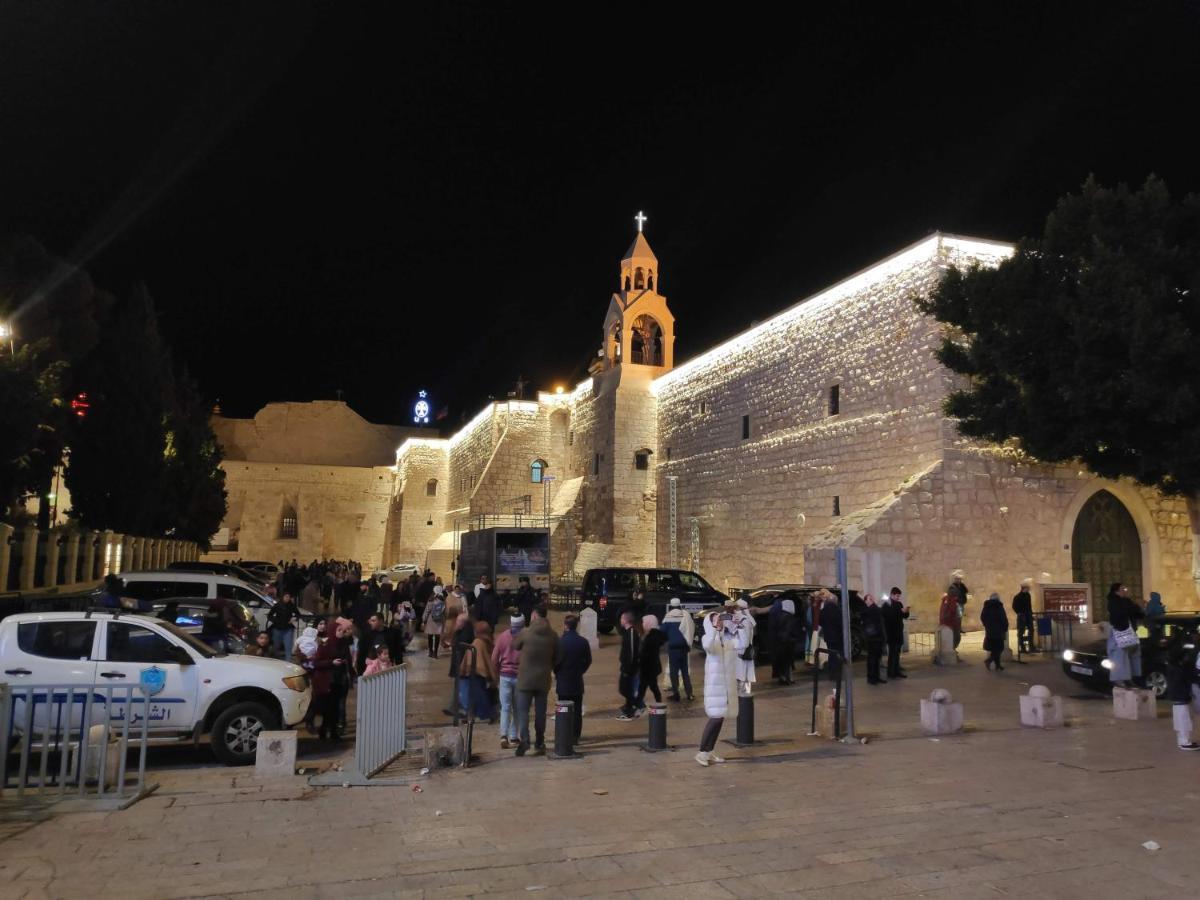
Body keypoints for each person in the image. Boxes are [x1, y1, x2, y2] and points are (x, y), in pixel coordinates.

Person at [513, 606, 558, 756]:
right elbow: (559, 656)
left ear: (533, 616)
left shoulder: (526, 633)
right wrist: (550, 666)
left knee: (523, 711)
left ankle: (525, 740)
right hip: (543, 679)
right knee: (540, 712)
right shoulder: (553, 635)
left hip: (525, 679)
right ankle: (540, 742)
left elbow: (515, 646)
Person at [696, 607, 738, 766]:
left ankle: (709, 751)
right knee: (714, 719)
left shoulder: (724, 640)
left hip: (725, 687)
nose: (720, 622)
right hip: (715, 688)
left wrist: (738, 625)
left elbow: (741, 643)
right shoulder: (708, 638)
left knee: (719, 719)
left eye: (720, 620)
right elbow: (708, 646)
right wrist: (713, 627)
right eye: (716, 620)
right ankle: (701, 752)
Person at [554, 614, 592, 743]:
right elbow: (588, 661)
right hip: (576, 680)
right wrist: (580, 671)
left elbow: (554, 661)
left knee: (563, 709)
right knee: (577, 711)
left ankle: (564, 735)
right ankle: (575, 736)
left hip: (563, 681)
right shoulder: (583, 642)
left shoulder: (560, 642)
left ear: (565, 626)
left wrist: (558, 673)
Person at [491, 614, 523, 748]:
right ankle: (514, 737)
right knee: (517, 708)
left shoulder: (503, 637)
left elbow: (494, 658)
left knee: (505, 708)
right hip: (520, 677)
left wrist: (496, 673)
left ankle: (503, 735)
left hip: (504, 676)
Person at [1106, 582, 1144, 688]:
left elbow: (1136, 611)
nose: (1125, 591)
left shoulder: (1126, 601)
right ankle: (1119, 679)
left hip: (1130, 631)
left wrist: (1139, 609)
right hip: (1120, 632)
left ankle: (1129, 678)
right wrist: (1133, 609)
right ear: (1116, 591)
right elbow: (1121, 612)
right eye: (1123, 589)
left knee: (1133, 654)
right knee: (1119, 655)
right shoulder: (1113, 602)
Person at [458, 621, 497, 721]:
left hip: (472, 672)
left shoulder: (477, 642)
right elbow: (488, 661)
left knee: (474, 696)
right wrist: (492, 676)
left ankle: (478, 715)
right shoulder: (486, 642)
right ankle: (482, 714)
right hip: (479, 673)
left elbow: (478, 659)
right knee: (479, 695)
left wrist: (463, 670)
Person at [661, 597, 695, 701]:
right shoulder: (685, 615)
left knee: (674, 672)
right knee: (685, 671)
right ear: (680, 605)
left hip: (673, 648)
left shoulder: (668, 617)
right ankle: (689, 694)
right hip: (684, 647)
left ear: (671, 606)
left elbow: (662, 631)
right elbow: (691, 628)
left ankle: (676, 694)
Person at [616, 610, 643, 720]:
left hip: (630, 668)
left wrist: (629, 667)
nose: (620, 620)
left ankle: (632, 708)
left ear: (626, 620)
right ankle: (631, 706)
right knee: (625, 689)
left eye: (622, 618)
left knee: (626, 689)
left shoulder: (631, 633)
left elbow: (631, 652)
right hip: (627, 667)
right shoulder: (627, 632)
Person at [637, 615, 666, 706]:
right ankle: (657, 701)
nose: (642, 624)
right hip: (652, 667)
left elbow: (646, 654)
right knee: (651, 686)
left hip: (648, 668)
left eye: (644, 622)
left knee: (644, 687)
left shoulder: (651, 638)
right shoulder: (654, 635)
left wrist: (638, 660)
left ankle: (638, 705)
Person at [880, 587, 909, 679]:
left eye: (899, 596)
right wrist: (899, 611)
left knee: (897, 654)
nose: (898, 598)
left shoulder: (899, 604)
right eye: (897, 596)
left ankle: (897, 671)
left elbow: (904, 616)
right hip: (891, 633)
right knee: (892, 654)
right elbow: (888, 616)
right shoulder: (886, 604)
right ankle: (891, 673)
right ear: (892, 595)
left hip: (898, 632)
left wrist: (906, 612)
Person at [817, 590, 844, 680]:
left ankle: (831, 674)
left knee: (831, 654)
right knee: (837, 654)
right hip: (837, 636)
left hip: (828, 636)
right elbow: (840, 623)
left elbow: (820, 621)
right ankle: (837, 673)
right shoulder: (837, 610)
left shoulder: (824, 610)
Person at [860, 594, 886, 684]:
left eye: (872, 598)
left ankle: (876, 677)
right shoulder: (867, 610)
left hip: (878, 638)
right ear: (866, 601)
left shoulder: (873, 609)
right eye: (869, 599)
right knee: (872, 659)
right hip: (872, 639)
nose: (871, 600)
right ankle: (871, 678)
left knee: (877, 659)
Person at [980, 591, 1009, 671]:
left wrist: (986, 625)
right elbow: (1003, 617)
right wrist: (1005, 627)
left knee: (994, 648)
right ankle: (989, 661)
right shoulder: (999, 606)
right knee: (999, 648)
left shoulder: (986, 606)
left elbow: (982, 617)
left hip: (989, 630)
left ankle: (997, 665)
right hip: (998, 630)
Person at [266, 592, 299, 658]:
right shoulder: (277, 605)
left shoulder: (291, 606)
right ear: (283, 597)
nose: (287, 598)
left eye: (289, 597)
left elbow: (298, 614)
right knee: (276, 646)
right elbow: (270, 615)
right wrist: (275, 620)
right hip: (277, 628)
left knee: (288, 645)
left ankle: (288, 660)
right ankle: (275, 660)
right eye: (286, 596)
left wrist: (294, 618)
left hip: (288, 628)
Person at [935, 586, 961, 665]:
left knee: (953, 638)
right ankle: (952, 652)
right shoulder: (952, 600)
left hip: (944, 623)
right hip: (951, 623)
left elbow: (944, 611)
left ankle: (952, 651)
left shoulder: (945, 599)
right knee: (956, 638)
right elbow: (952, 611)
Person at [773, 599, 798, 685]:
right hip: (788, 642)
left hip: (780, 641)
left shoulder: (780, 615)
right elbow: (789, 630)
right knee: (788, 662)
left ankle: (782, 678)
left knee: (782, 661)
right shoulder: (790, 617)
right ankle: (788, 678)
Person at [1012, 579, 1035, 653]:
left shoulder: (1028, 595)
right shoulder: (1017, 597)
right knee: (1021, 632)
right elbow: (1014, 606)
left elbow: (1029, 606)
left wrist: (1031, 614)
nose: (1029, 589)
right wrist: (1019, 613)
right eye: (1028, 587)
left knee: (1031, 630)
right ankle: (1022, 647)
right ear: (1024, 588)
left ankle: (1031, 646)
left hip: (1028, 615)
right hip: (1022, 616)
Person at [423, 590, 446, 657]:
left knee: (430, 636)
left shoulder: (430, 601)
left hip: (431, 620)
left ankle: (430, 652)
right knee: (437, 637)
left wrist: (424, 619)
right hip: (439, 620)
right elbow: (444, 612)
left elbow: (427, 611)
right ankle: (435, 653)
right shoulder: (443, 602)